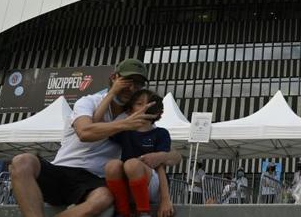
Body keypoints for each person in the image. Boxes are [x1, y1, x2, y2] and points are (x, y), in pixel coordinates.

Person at [10, 59, 182, 217]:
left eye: (137, 85)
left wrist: (162, 156)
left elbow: (172, 154)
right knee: (22, 161)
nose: (131, 89)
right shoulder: (88, 102)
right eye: (127, 82)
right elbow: (85, 132)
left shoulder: (135, 115)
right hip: (61, 169)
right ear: (114, 78)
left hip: (94, 180)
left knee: (103, 198)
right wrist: (125, 123)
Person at [101, 89, 173, 217]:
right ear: (130, 109)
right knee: (111, 165)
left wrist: (165, 199)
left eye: (149, 104)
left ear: (157, 111)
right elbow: (101, 125)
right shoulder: (124, 131)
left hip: (151, 184)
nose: (144, 107)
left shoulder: (160, 133)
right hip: (129, 185)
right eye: (139, 104)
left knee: (132, 164)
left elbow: (161, 167)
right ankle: (123, 212)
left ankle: (144, 212)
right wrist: (111, 94)